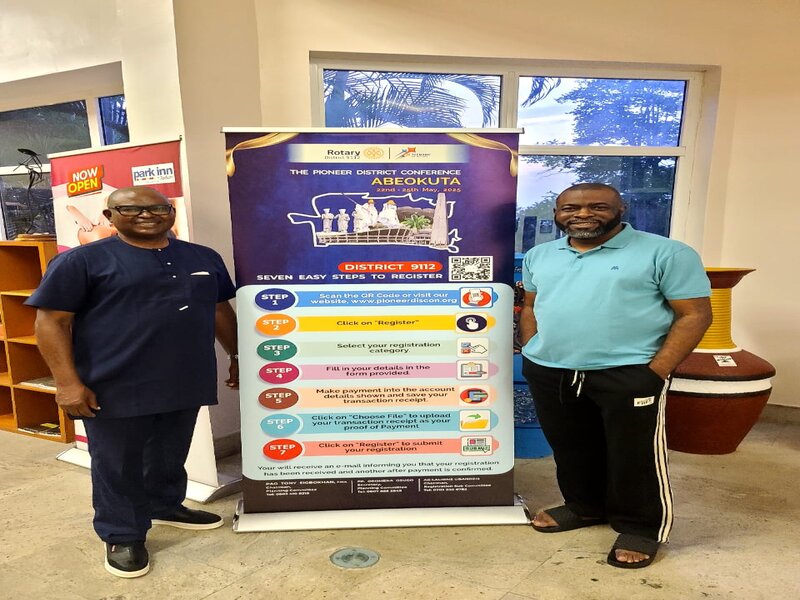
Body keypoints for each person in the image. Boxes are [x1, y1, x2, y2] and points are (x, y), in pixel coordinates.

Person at [26, 186, 239, 579]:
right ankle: (122, 533)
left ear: (171, 212)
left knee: (170, 451)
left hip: (184, 377)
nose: (148, 215)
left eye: (158, 208)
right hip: (113, 381)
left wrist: (236, 356)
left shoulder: (202, 257)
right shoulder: (81, 261)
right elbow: (51, 322)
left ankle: (163, 504)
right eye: (131, 209)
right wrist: (67, 384)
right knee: (117, 463)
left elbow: (218, 308)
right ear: (109, 217)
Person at [519, 183, 712, 569]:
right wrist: (532, 349)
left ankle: (641, 527)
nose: (582, 214)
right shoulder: (541, 255)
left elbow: (695, 314)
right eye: (570, 208)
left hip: (630, 373)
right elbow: (531, 307)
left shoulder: (667, 253)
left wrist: (656, 371)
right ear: (557, 213)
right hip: (551, 370)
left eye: (597, 206)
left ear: (620, 209)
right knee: (570, 446)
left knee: (634, 454)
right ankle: (585, 506)